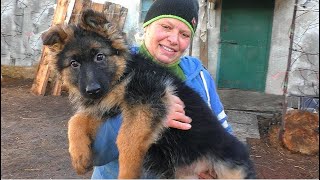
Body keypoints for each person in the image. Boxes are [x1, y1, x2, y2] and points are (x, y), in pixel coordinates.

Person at [91, 0, 233, 178]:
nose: (174, 40)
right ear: (147, 26)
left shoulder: (200, 77)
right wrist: (148, 117)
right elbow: (94, 154)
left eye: (184, 34)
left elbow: (224, 132)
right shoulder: (113, 72)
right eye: (166, 27)